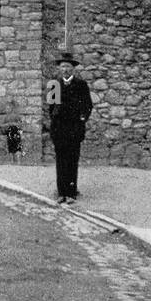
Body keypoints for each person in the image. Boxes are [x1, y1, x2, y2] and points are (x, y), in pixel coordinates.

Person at [48, 52, 92, 202]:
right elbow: (51, 107)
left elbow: (87, 106)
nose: (65, 70)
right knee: (60, 160)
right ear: (59, 69)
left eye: (68, 66)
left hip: (74, 129)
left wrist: (82, 118)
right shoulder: (54, 85)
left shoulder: (81, 85)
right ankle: (61, 193)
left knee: (72, 160)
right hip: (59, 129)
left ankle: (71, 193)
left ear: (73, 69)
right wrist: (54, 122)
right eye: (62, 67)